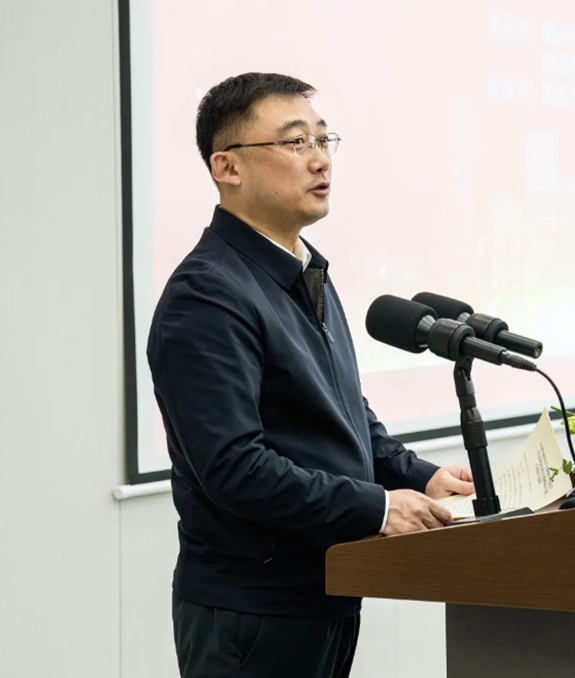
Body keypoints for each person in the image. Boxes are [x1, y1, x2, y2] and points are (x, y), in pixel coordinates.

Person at [147, 72, 475, 678]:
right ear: (227, 167)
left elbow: (343, 415)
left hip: (323, 592)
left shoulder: (303, 271)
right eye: (296, 142)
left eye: (324, 140)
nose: (320, 159)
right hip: (253, 610)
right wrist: (377, 508)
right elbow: (234, 467)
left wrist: (421, 478)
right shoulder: (207, 295)